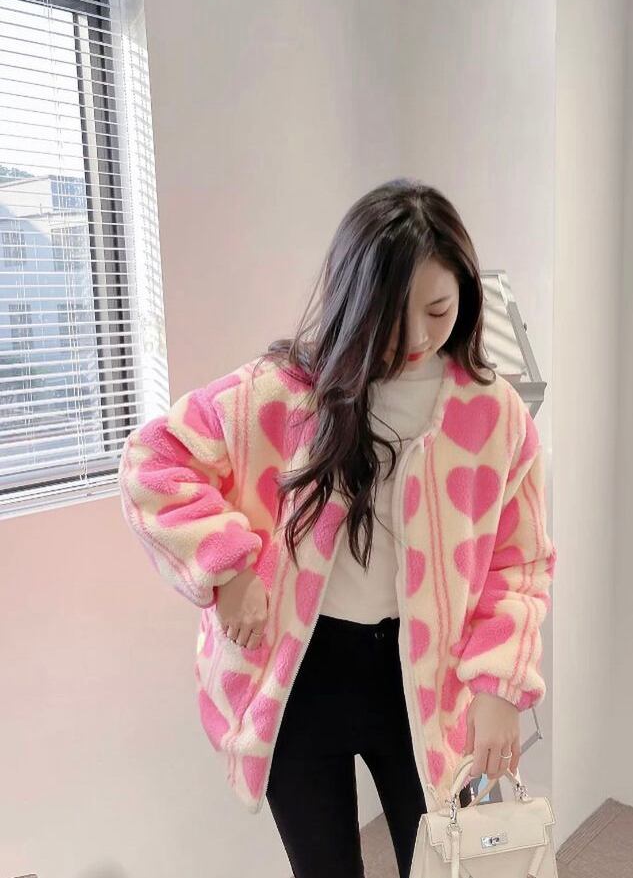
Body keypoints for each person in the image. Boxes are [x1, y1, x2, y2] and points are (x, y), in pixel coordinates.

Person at [117, 177, 557, 878]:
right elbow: (154, 459)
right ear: (356, 302)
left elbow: (520, 562)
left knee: (447, 864)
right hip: (301, 672)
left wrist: (500, 683)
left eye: (438, 310)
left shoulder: (495, 415)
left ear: (465, 296)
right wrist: (228, 569)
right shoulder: (284, 392)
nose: (417, 338)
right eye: (392, 316)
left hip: (427, 675)